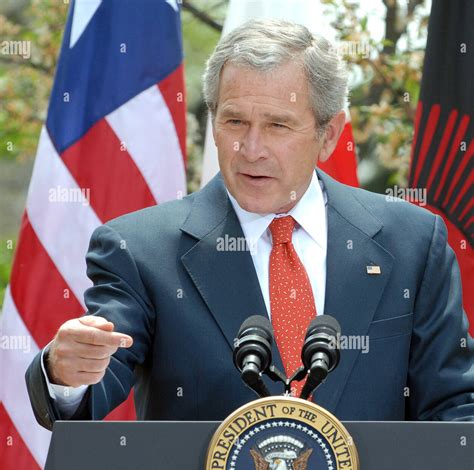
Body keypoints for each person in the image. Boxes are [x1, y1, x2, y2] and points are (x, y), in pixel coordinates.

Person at [26, 19, 474, 431]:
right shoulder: (139, 249)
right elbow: (92, 391)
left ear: (329, 134)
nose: (251, 148)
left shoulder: (413, 242)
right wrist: (66, 373)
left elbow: (456, 405)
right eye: (235, 120)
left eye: (278, 125)